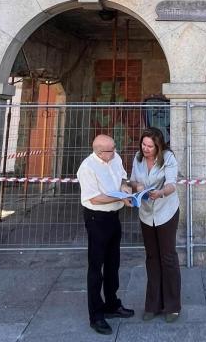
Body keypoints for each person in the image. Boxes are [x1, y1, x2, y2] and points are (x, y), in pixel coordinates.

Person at [77, 134, 135, 335]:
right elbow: (94, 198)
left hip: (113, 217)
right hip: (96, 219)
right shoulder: (87, 168)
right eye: (111, 149)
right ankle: (96, 315)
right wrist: (119, 197)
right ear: (99, 152)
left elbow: (122, 178)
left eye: (115, 147)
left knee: (113, 263)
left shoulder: (114, 158)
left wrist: (126, 189)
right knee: (96, 268)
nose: (115, 151)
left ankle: (112, 304)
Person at [129, 127, 181, 323]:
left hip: (166, 211)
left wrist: (160, 193)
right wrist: (137, 187)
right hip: (146, 213)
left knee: (168, 257)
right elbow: (132, 180)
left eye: (150, 146)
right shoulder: (138, 158)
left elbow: (171, 183)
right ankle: (152, 305)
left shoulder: (168, 157)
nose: (146, 149)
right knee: (151, 257)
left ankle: (172, 306)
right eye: (143, 144)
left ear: (159, 146)